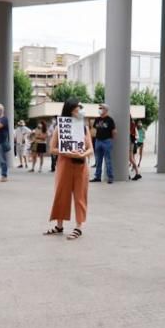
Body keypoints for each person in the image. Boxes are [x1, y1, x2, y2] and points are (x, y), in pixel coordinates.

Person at [45, 98, 92, 241]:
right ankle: (59, 225)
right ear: (71, 109)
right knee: (61, 194)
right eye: (79, 107)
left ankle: (78, 227)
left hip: (81, 166)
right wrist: (67, 153)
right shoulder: (61, 127)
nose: (81, 110)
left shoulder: (84, 127)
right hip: (64, 165)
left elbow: (90, 149)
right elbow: (52, 149)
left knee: (80, 196)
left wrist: (83, 153)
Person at [91, 103, 116, 184]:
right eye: (99, 108)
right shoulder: (97, 119)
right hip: (98, 141)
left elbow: (114, 131)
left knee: (108, 160)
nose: (100, 109)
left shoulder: (110, 120)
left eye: (101, 108)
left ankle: (110, 177)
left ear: (106, 110)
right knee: (98, 160)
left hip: (107, 141)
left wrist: (110, 140)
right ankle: (97, 177)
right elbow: (94, 129)